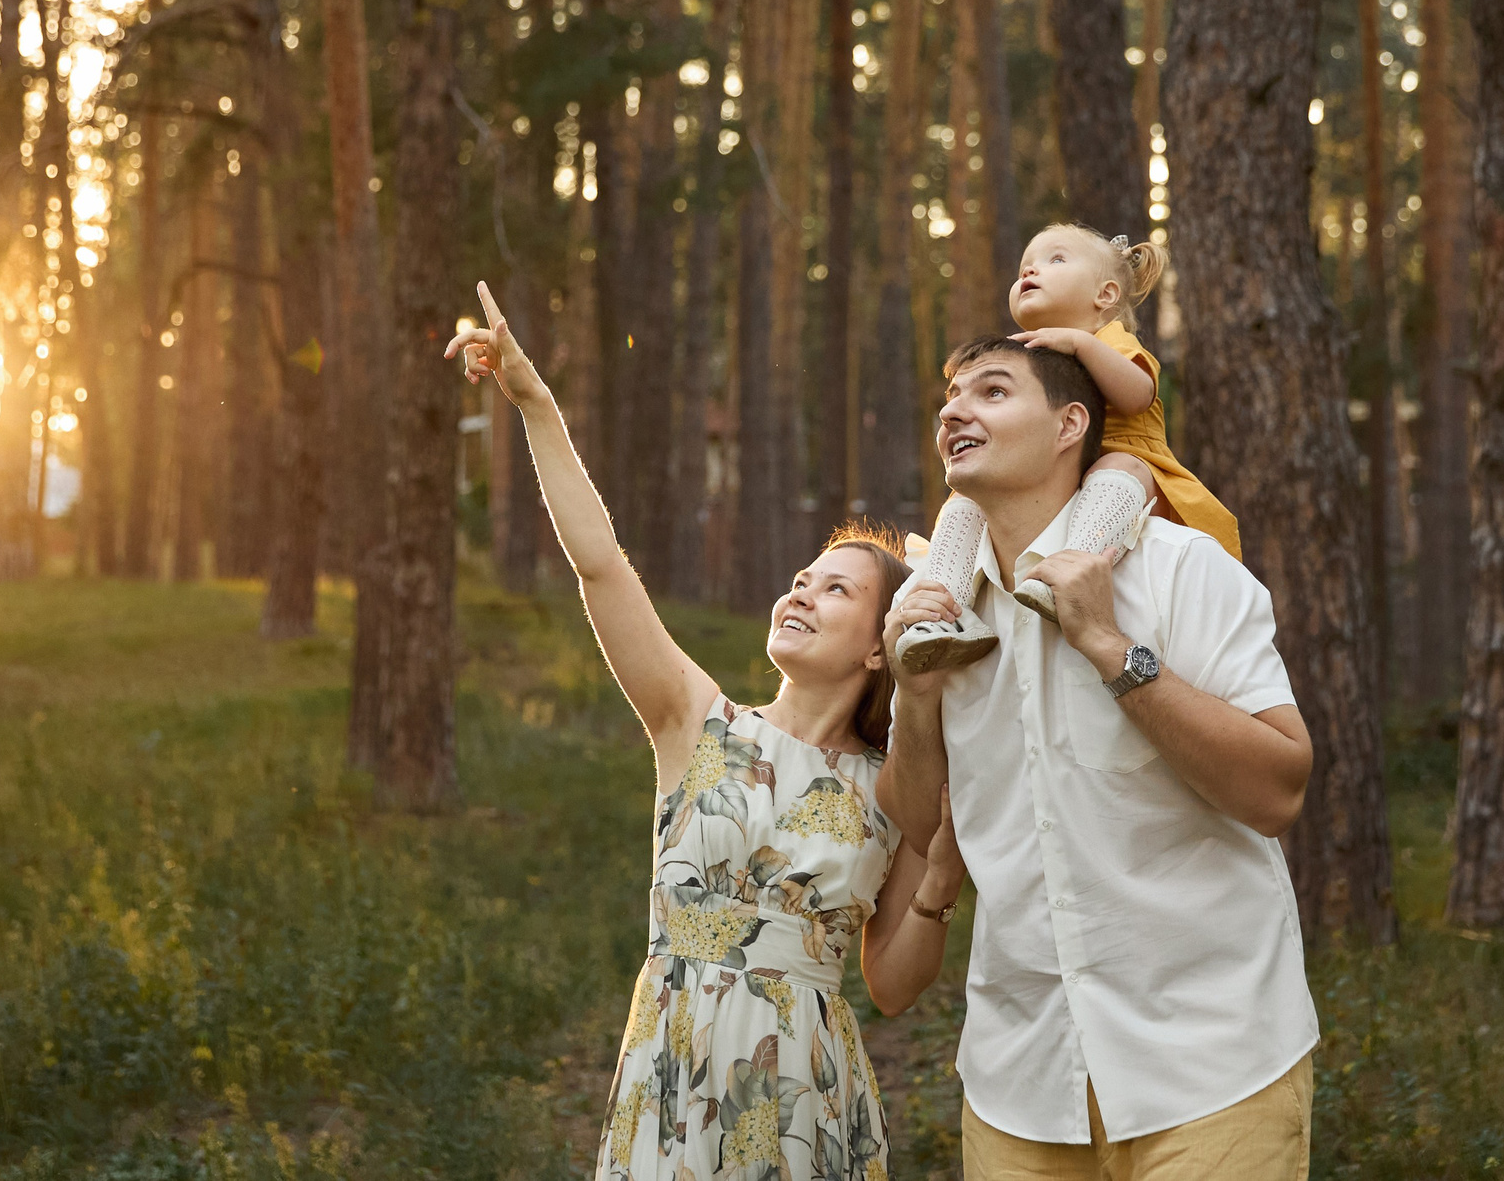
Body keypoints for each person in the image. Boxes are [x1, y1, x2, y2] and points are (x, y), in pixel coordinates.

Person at [445, 282, 965, 1181]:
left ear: (881, 647)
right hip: (673, 1070)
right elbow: (602, 565)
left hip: (806, 1091)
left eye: (836, 589)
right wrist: (535, 406)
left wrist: (941, 881)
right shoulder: (698, 721)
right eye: (801, 578)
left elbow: (892, 986)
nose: (801, 591)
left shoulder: (898, 784)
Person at [874, 336, 1318, 1179]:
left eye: (992, 392)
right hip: (1019, 1082)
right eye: (951, 397)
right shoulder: (935, 610)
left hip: (1213, 1065)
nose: (954, 411)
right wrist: (917, 694)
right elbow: (917, 820)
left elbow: (1278, 791)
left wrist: (1109, 645)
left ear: (1070, 425)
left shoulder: (1183, 571)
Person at [894, 223, 1244, 674]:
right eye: (1024, 267)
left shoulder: (1109, 339)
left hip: (1128, 468)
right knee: (963, 501)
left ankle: (1071, 568)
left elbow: (1138, 395)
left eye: (1055, 260)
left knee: (1119, 465)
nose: (1030, 271)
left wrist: (1081, 345)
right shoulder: (1032, 359)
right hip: (1061, 474)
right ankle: (944, 609)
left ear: (1105, 295)